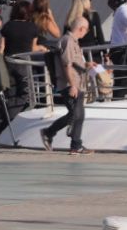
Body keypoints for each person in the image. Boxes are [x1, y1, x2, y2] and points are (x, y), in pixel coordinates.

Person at [41, 15, 95, 155]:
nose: (86, 32)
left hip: (77, 83)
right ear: (81, 28)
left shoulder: (73, 42)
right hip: (70, 84)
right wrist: (72, 85)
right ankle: (70, 143)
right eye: (87, 30)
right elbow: (67, 65)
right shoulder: (68, 41)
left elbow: (74, 63)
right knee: (76, 114)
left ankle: (69, 142)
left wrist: (86, 65)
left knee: (77, 114)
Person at [0, 1, 43, 102]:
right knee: (25, 91)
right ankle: (19, 112)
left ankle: (10, 114)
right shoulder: (32, 27)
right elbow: (33, 48)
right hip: (24, 62)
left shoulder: (8, 25)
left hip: (8, 61)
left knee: (10, 91)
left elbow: (1, 46)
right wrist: (41, 47)